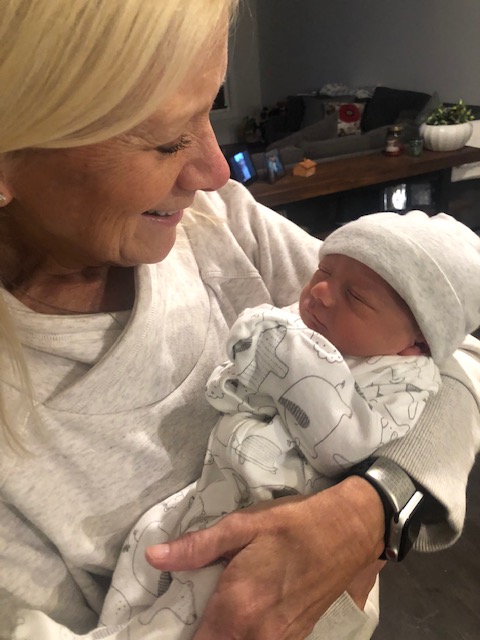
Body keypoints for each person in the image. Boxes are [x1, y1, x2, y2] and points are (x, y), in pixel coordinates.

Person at [0, 2, 480, 639]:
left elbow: (453, 353)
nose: (216, 170)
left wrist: (372, 511)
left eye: (209, 110)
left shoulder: (218, 220)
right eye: (168, 140)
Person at [12, 210, 480, 640]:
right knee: (151, 552)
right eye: (322, 271)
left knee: (205, 603)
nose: (319, 291)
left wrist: (371, 508)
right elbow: (227, 389)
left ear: (416, 343)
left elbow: (344, 440)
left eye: (354, 296)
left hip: (269, 517)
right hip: (212, 495)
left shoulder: (401, 374)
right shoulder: (319, 322)